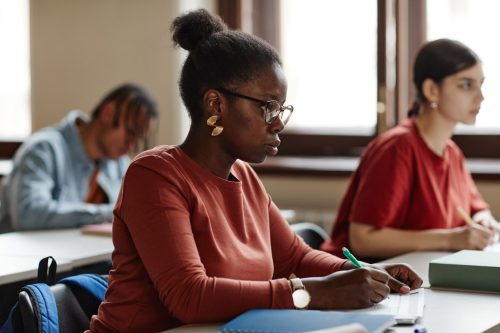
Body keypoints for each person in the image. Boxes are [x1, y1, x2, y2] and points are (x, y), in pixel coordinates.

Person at [87, 9, 422, 333]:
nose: (278, 123)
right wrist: (315, 293)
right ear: (216, 104)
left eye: (282, 109)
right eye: (268, 107)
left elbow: (294, 257)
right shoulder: (155, 175)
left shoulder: (244, 176)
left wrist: (362, 272)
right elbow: (189, 297)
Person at [321, 39, 499, 262]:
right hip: (359, 282)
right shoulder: (397, 149)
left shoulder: (452, 153)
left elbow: (477, 209)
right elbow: (363, 239)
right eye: (466, 85)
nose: (480, 97)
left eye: (480, 85)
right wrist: (450, 239)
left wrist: (484, 221)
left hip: (413, 278)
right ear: (432, 90)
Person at [0, 83, 158, 232]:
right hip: (33, 258)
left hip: (86, 256)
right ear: (108, 113)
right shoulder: (43, 149)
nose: (131, 146)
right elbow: (28, 215)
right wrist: (111, 213)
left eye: (138, 141)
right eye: (130, 134)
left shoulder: (118, 163)